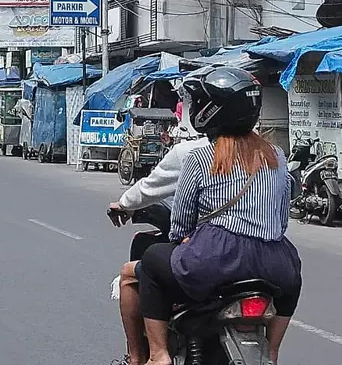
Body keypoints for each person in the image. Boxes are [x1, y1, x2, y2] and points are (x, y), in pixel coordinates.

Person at [136, 66, 302, 365]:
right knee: (294, 279)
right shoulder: (276, 155)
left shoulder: (200, 157)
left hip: (216, 261)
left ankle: (159, 355)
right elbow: (281, 221)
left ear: (212, 111)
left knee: (150, 263)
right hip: (275, 264)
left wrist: (182, 241)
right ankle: (273, 352)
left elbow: (180, 223)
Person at [108, 130, 209, 365]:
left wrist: (124, 204)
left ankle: (147, 357)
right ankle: (272, 355)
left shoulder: (193, 154)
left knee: (137, 269)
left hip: (208, 252)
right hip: (264, 259)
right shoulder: (269, 155)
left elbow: (152, 191)